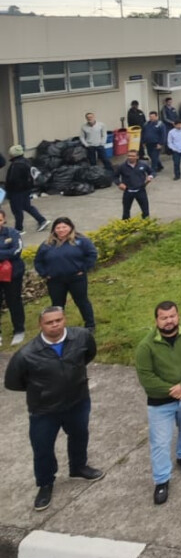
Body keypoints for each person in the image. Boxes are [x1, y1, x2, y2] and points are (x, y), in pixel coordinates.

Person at [3, 306, 104, 510]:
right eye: (49, 322)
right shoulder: (26, 354)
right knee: (42, 448)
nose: (54, 325)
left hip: (78, 401)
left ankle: (78, 467)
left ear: (64, 319)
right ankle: (45, 484)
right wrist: (43, 391)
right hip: (44, 410)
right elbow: (13, 382)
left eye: (58, 320)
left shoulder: (82, 337)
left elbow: (88, 355)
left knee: (79, 435)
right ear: (40, 325)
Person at [134, 301, 181, 505]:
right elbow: (146, 378)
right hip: (160, 404)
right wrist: (174, 390)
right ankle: (162, 480)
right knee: (160, 442)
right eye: (164, 318)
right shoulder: (146, 347)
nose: (169, 321)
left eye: (172, 316)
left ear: (178, 316)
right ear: (156, 320)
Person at [33, 217, 97, 333]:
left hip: (76, 278)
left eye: (64, 227)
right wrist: (45, 274)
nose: (61, 230)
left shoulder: (81, 240)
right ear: (54, 229)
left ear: (70, 227)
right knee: (57, 305)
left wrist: (84, 269)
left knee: (82, 301)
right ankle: (58, 327)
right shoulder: (47, 244)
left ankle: (90, 325)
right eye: (58, 227)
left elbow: (92, 254)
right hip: (55, 280)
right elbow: (38, 261)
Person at [4, 146, 48, 233]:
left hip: (16, 191)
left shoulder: (16, 165)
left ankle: (19, 229)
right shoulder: (26, 161)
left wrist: (8, 190)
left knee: (17, 210)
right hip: (26, 189)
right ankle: (42, 220)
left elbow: (13, 180)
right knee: (27, 206)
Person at [0, 214, 27, 348]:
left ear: (3, 219)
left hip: (12, 274)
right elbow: (9, 252)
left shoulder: (13, 233)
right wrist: (5, 252)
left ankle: (19, 330)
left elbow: (16, 251)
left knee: (14, 301)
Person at [115, 148, 154, 219]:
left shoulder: (143, 165)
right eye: (129, 156)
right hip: (128, 191)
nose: (131, 157)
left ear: (137, 157)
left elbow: (151, 172)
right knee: (126, 211)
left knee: (145, 210)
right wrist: (119, 184)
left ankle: (146, 224)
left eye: (133, 156)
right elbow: (115, 176)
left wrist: (150, 177)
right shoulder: (122, 166)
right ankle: (126, 225)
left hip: (141, 190)